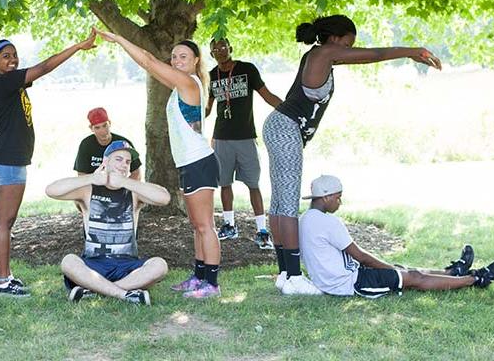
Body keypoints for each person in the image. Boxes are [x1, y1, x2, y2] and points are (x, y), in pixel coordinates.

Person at [263, 15, 443, 295]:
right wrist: (412, 52)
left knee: (280, 201)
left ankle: (286, 273)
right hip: (286, 128)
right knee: (286, 203)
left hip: (281, 127)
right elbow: (375, 54)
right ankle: (295, 278)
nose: (350, 49)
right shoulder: (326, 52)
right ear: (337, 39)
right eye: (349, 43)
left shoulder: (320, 54)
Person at [96, 28, 222, 299]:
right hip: (190, 164)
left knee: (205, 226)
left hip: (199, 162)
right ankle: (199, 276)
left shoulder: (189, 83)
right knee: (196, 225)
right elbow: (153, 64)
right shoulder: (181, 85)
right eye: (174, 57)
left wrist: (119, 38)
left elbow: (149, 61)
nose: (177, 61)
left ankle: (211, 284)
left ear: (196, 60)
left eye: (183, 56)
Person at [0, 32, 97, 297]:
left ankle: (6, 276)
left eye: (14, 55)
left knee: (6, 222)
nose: (12, 60)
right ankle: (2, 282)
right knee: (4, 223)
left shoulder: (9, 82)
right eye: (5, 57)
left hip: (11, 159)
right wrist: (78, 46)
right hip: (8, 160)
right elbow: (44, 67)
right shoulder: (5, 81)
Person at [298, 175, 494, 297]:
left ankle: (453, 271)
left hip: (339, 276)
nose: (339, 203)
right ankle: (476, 279)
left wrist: (391, 268)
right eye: (338, 198)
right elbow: (360, 256)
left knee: (405, 270)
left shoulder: (306, 219)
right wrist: (389, 269)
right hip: (349, 283)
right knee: (413, 278)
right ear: (326, 198)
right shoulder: (328, 222)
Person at [46, 140, 170, 305]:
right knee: (68, 261)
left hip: (127, 266)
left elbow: (164, 197)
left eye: (127, 162)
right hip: (94, 264)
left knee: (159, 265)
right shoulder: (88, 190)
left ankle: (94, 291)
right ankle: (125, 294)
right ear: (105, 161)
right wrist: (91, 178)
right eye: (118, 159)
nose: (124, 165)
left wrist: (124, 182)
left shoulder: (134, 192)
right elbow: (51, 190)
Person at [205, 38, 281, 247]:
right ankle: (229, 226)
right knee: (224, 183)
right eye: (215, 49)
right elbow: (207, 108)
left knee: (253, 184)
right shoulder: (211, 76)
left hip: (246, 136)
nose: (220, 51)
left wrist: (288, 110)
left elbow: (267, 96)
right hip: (221, 137)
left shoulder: (247, 69)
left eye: (223, 47)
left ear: (231, 48)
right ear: (211, 54)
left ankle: (262, 231)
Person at [74, 107, 142, 180]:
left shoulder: (124, 143)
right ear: (91, 128)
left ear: (109, 123)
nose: (103, 131)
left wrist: (125, 189)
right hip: (94, 187)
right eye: (97, 128)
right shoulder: (86, 144)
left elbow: (136, 173)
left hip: (119, 187)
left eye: (104, 125)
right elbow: (81, 175)